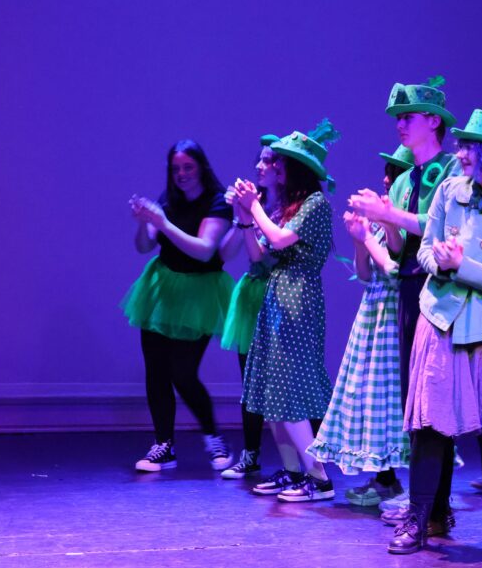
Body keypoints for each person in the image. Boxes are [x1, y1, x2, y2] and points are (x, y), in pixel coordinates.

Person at [388, 110, 482, 555]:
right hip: (441, 319)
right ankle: (418, 519)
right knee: (430, 428)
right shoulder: (450, 191)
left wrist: (461, 266)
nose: (460, 154)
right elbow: (425, 250)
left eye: (469, 149)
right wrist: (441, 263)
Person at [347, 77, 460, 512]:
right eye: (397, 118)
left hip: (442, 291)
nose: (400, 124)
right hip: (409, 288)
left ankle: (435, 504)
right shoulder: (402, 181)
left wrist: (389, 213)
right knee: (413, 399)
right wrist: (383, 222)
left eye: (407, 117)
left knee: (436, 401)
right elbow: (397, 249)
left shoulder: (450, 170)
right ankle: (425, 502)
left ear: (433, 121)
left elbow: (437, 226)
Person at [235, 120, 338, 502]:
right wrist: (246, 218)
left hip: (299, 301)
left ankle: (320, 478)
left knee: (290, 392)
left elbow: (278, 240)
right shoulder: (286, 207)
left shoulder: (315, 205)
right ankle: (294, 472)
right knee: (272, 393)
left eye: (280, 163)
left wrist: (254, 207)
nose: (273, 168)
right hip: (278, 296)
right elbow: (259, 256)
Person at [306, 146, 412, 504]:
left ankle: (395, 480)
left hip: (395, 314)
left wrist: (372, 234)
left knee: (390, 398)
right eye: (386, 171)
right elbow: (366, 273)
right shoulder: (385, 222)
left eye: (394, 172)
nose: (385, 178)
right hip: (373, 313)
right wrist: (359, 241)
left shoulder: (405, 222)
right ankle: (383, 477)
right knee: (370, 396)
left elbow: (397, 269)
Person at [122, 139, 234, 472]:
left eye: (187, 167)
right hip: (161, 289)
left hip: (198, 293)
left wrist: (162, 223)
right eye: (176, 169)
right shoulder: (167, 200)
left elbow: (203, 249)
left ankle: (213, 437)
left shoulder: (218, 201)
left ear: (201, 166)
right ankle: (163, 444)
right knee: (156, 370)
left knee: (183, 372)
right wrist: (144, 221)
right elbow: (143, 247)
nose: (181, 174)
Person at [217, 134, 283, 479]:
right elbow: (228, 253)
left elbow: (269, 257)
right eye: (259, 160)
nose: (260, 166)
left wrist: (251, 215)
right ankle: (251, 453)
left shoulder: (285, 209)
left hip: (277, 294)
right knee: (250, 382)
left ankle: (304, 458)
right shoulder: (254, 206)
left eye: (268, 161)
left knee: (283, 383)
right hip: (251, 295)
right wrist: (237, 215)